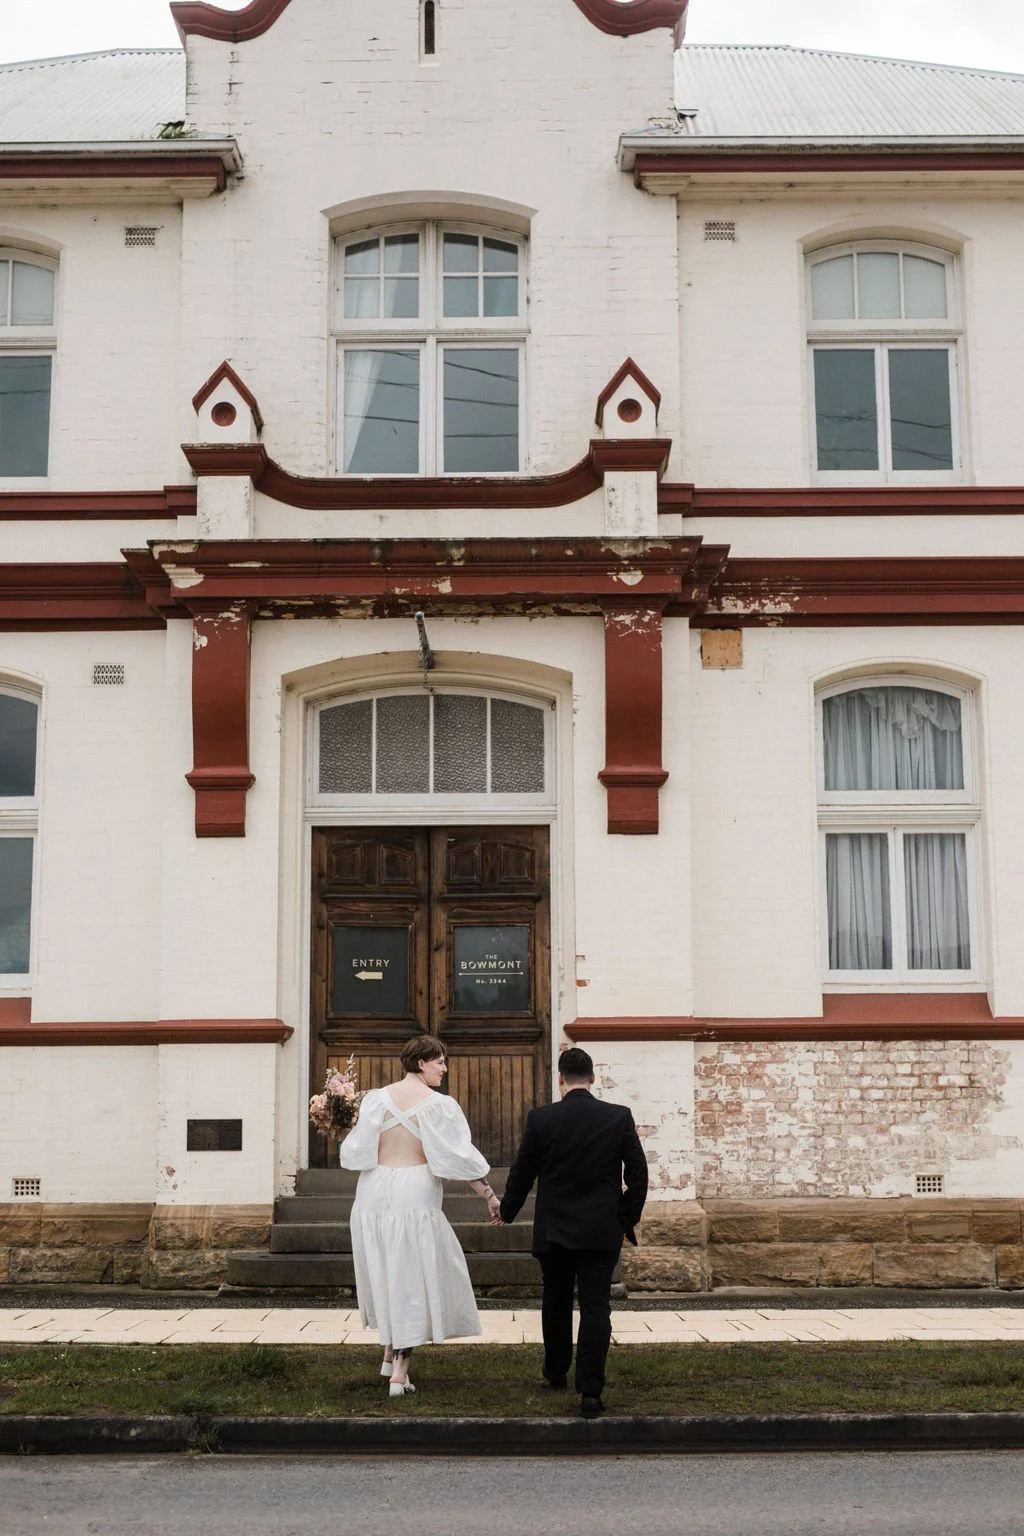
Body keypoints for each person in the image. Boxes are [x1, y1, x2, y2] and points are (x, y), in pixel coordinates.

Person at [338, 1033, 500, 1396]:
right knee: (411, 1276)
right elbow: (457, 1156)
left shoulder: (375, 1100)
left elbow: (358, 1150)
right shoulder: (439, 1105)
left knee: (385, 1270)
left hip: (374, 1192)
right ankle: (399, 1372)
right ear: (420, 1063)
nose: (444, 1068)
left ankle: (388, 1353)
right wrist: (489, 1195)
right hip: (413, 1193)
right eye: (439, 1061)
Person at [498, 1046, 648, 1418]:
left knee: (557, 1299)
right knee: (597, 1305)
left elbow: (524, 1171)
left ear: (560, 1079)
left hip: (556, 1228)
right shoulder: (618, 1117)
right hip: (601, 1229)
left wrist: (507, 1210)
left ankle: (556, 1369)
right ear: (593, 1077)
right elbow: (639, 1175)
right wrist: (624, 1217)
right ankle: (591, 1391)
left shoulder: (542, 1119)